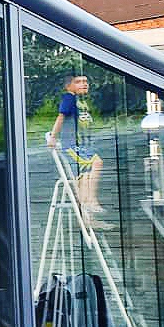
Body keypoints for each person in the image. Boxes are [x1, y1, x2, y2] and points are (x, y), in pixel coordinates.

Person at [46, 74, 109, 225]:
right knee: (96, 163)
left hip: (82, 146)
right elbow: (61, 117)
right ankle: (91, 201)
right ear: (68, 86)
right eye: (78, 82)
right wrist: (53, 137)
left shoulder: (81, 102)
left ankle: (88, 219)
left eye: (86, 81)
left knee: (83, 177)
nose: (84, 84)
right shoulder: (69, 98)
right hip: (72, 146)